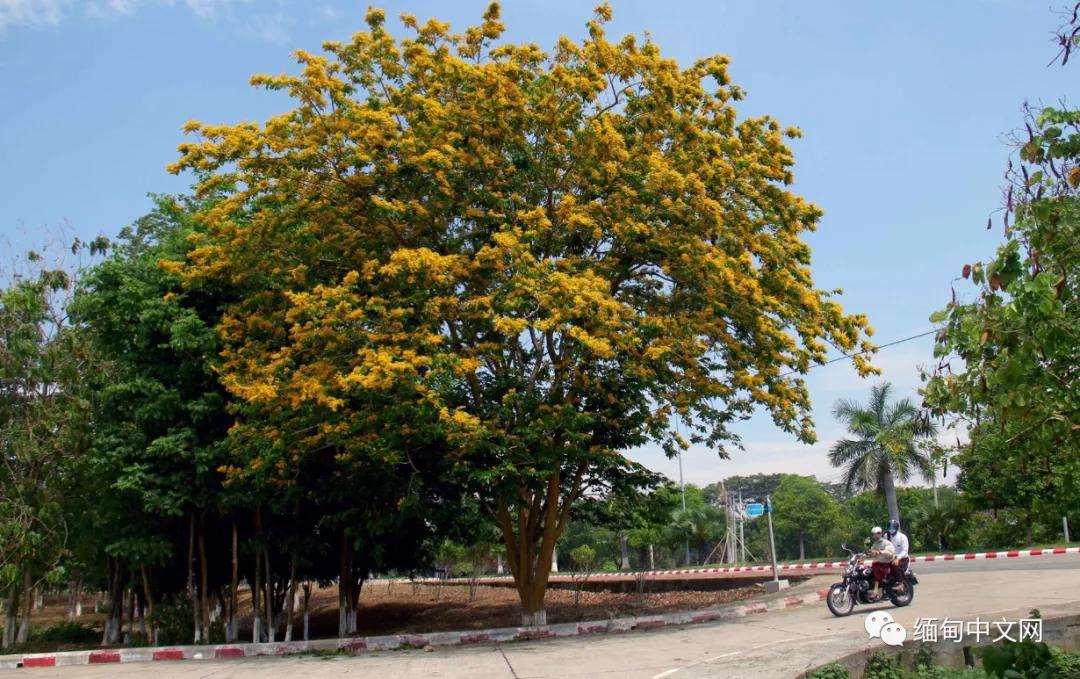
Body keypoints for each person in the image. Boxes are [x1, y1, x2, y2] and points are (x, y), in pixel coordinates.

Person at [867, 526, 895, 600]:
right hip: (880, 562)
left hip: (887, 563)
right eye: (874, 534)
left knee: (876, 568)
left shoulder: (886, 543)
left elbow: (890, 552)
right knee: (869, 571)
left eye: (877, 533)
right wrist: (868, 554)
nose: (875, 535)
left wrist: (880, 552)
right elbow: (871, 551)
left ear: (880, 534)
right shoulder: (875, 544)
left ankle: (876, 591)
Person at [887, 519, 910, 592]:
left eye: (892, 527)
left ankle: (900, 583)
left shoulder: (902, 537)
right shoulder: (886, 536)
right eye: (889, 527)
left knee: (895, 565)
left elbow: (905, 550)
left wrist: (898, 558)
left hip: (903, 559)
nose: (891, 529)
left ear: (896, 527)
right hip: (890, 558)